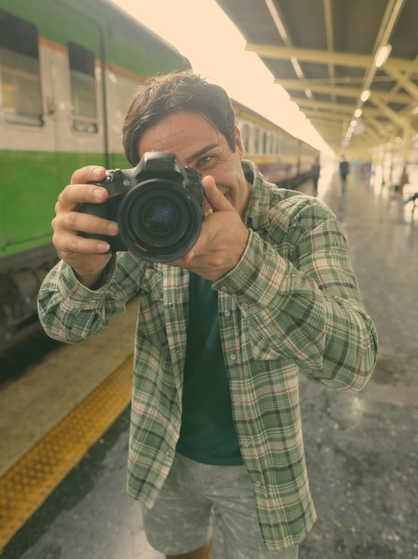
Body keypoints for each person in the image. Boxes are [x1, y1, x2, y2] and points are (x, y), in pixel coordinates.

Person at [37, 71, 378, 559]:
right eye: (172, 172)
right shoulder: (148, 219)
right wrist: (83, 270)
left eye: (207, 159)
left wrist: (247, 264)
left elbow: (356, 362)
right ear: (143, 174)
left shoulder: (301, 222)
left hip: (262, 467)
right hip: (164, 456)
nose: (198, 187)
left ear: (237, 141)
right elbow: (62, 324)